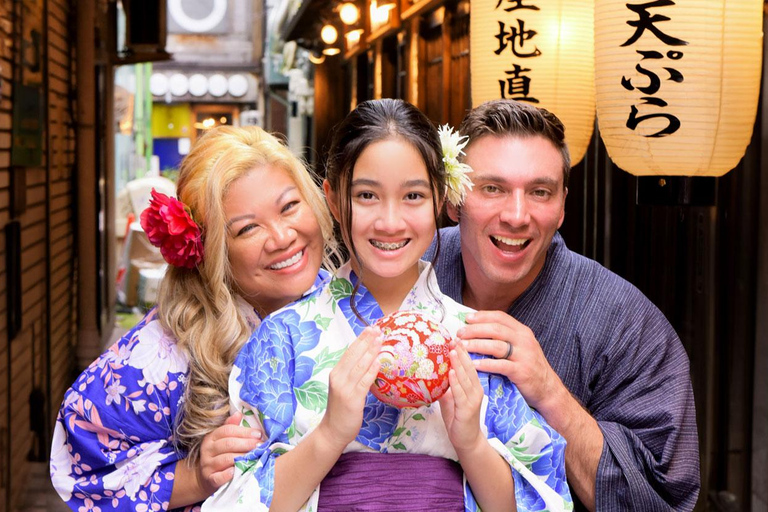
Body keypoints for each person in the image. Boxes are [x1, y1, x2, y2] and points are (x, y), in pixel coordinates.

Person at [203, 99, 573, 512]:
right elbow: (233, 499)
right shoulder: (283, 336)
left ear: (441, 197)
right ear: (333, 197)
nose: (390, 222)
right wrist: (329, 434)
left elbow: (544, 497)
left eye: (413, 195)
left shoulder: (476, 339)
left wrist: (469, 442)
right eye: (366, 195)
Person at [425, 99, 701, 510]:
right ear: (452, 200)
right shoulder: (410, 272)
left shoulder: (626, 323)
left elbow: (660, 500)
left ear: (563, 206)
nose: (517, 215)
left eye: (540, 192)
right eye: (492, 188)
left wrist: (548, 391)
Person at [50, 126, 339, 511]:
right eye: (247, 228)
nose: (282, 236)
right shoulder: (163, 351)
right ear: (211, 249)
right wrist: (195, 476)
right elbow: (79, 468)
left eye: (289, 206)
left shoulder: (346, 299)